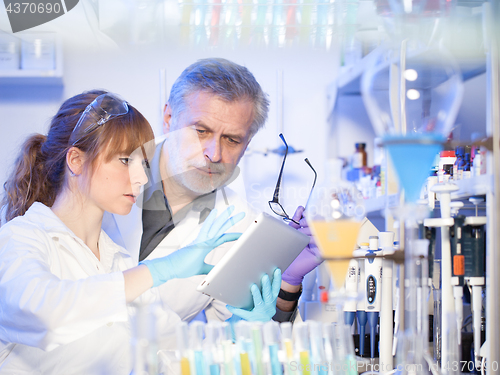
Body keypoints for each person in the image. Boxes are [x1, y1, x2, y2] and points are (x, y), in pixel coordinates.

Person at [0, 90, 252, 374]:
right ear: (76, 161)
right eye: (125, 160)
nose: (142, 177)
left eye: (144, 163)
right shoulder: (20, 239)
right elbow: (42, 314)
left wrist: (238, 333)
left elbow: (173, 357)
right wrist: (158, 270)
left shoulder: (117, 261)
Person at [102, 58, 322, 324]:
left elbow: (245, 345)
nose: (214, 154)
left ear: (247, 143)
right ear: (168, 117)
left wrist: (287, 284)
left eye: (232, 140)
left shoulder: (243, 228)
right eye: (201, 131)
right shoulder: (103, 168)